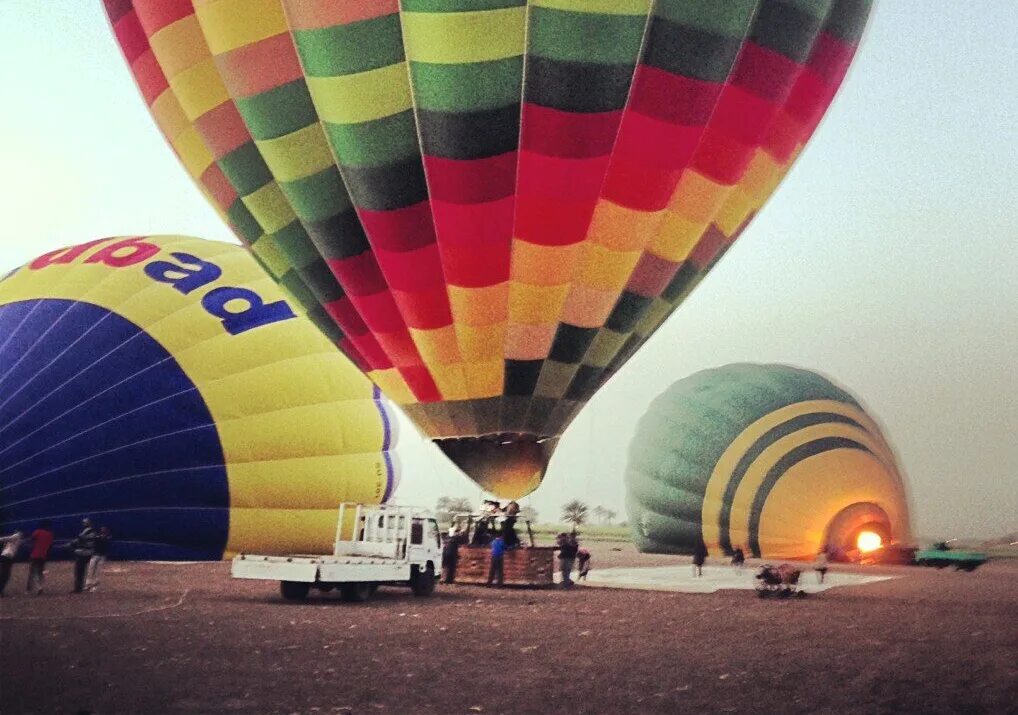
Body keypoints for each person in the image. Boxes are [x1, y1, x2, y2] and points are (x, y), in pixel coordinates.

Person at [27, 521, 54, 595]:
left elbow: (31, 539)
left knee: (32, 572)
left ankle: (30, 589)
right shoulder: (50, 534)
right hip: (43, 556)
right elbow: (50, 546)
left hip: (35, 555)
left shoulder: (37, 532)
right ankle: (41, 587)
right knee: (40, 572)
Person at [71, 518, 97, 593]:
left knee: (79, 571)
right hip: (87, 553)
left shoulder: (87, 532)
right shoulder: (92, 532)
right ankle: (79, 587)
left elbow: (80, 539)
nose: (83, 524)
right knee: (81, 571)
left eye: (84, 523)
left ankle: (78, 588)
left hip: (83, 553)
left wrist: (72, 544)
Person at [86, 526, 112, 591]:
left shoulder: (107, 537)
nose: (103, 530)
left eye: (104, 530)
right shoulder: (97, 536)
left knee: (98, 571)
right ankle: (88, 584)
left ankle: (95, 586)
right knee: (90, 569)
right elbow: (94, 540)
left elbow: (106, 540)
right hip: (95, 555)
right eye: (102, 529)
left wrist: (103, 537)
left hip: (102, 556)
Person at [0, 529, 24, 597]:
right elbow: (6, 538)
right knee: (5, 575)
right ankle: (1, 590)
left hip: (7, 557)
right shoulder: (16, 536)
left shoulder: (16, 540)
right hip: (7, 556)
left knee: (5, 574)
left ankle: (1, 590)